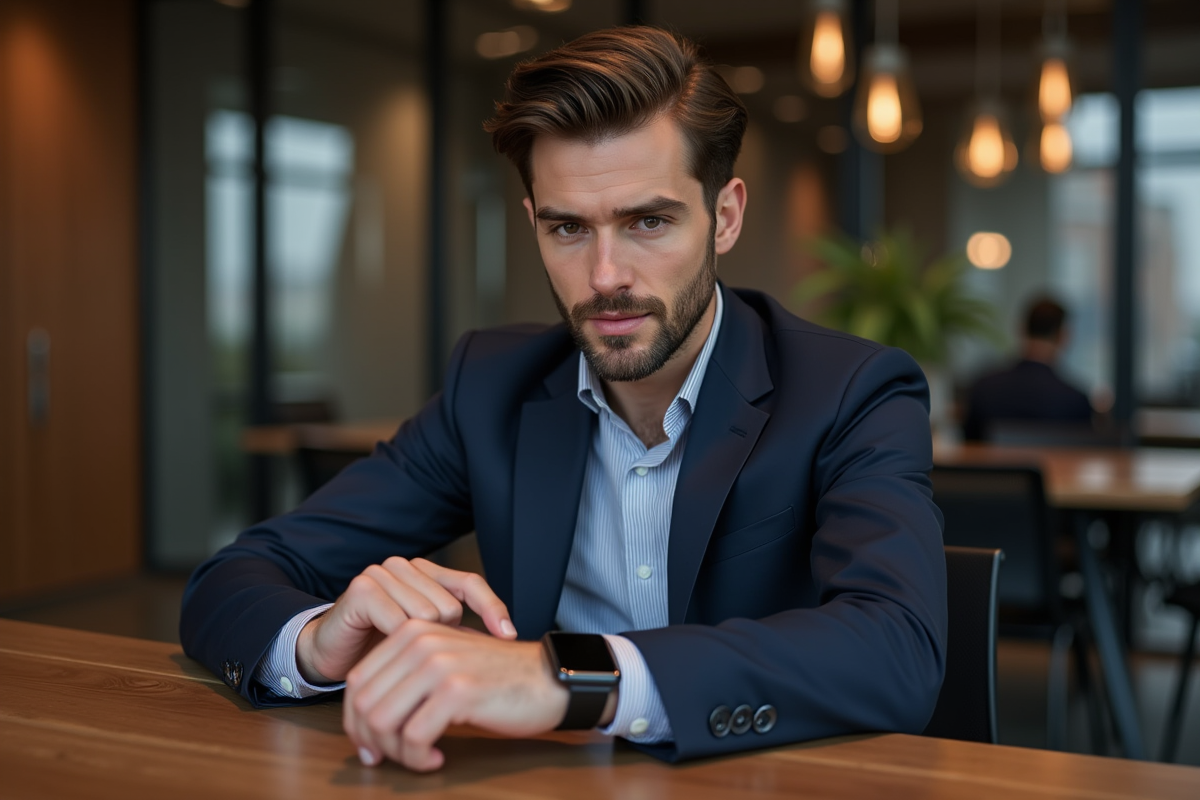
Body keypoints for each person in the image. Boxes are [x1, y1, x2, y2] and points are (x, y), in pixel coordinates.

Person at [180, 26, 946, 771]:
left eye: (649, 221)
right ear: (532, 225)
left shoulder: (851, 391)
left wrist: (566, 677)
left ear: (726, 215)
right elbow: (232, 578)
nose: (606, 275)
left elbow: (897, 648)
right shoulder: (493, 385)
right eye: (569, 228)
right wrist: (319, 640)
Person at [962, 296, 1093, 442]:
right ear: (1063, 336)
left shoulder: (984, 388)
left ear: (1022, 329)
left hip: (996, 464)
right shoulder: (1076, 401)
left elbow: (968, 447)